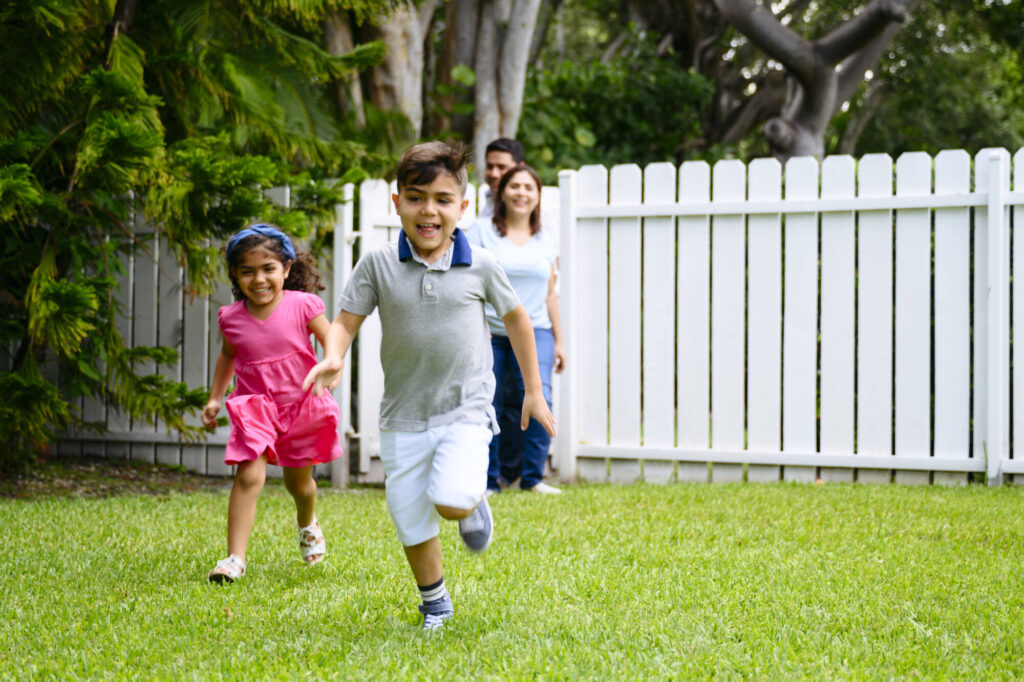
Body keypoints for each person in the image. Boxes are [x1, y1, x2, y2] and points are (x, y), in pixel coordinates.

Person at [302, 141, 555, 631]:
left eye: (442, 199)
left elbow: (518, 319)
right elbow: (346, 321)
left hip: (465, 408)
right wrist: (333, 355)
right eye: (416, 197)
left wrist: (533, 389)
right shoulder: (377, 263)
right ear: (397, 202)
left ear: (463, 208)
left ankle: (473, 505)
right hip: (402, 416)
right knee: (410, 518)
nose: (429, 210)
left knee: (450, 498)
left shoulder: (479, 262)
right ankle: (435, 604)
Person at [203, 224, 343, 583]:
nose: (259, 279)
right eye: (247, 271)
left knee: (300, 485)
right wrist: (216, 397)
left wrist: (332, 366)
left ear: (287, 268)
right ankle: (234, 559)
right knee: (249, 475)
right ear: (234, 274)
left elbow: (333, 342)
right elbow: (227, 356)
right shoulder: (231, 318)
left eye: (268, 269)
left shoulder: (303, 306)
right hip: (255, 407)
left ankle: (307, 522)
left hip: (301, 406)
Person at [466, 164, 565, 495]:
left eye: (529, 187)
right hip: (489, 332)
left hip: (537, 330)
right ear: (501, 192)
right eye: (515, 186)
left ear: (538, 197)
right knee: (488, 402)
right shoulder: (480, 232)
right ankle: (490, 481)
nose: (521, 193)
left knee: (540, 396)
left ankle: (532, 478)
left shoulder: (546, 238)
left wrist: (560, 340)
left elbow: (551, 293)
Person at [476, 138, 524, 219]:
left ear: (521, 168)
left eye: (502, 167)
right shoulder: (489, 201)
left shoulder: (529, 211)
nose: (494, 174)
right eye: (489, 167)